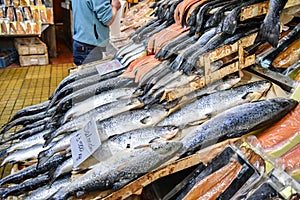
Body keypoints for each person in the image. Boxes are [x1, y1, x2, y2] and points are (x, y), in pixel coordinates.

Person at [72, 0, 121, 66]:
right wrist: (115, 6)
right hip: (91, 48)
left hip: (80, 43)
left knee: (83, 74)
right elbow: (107, 20)